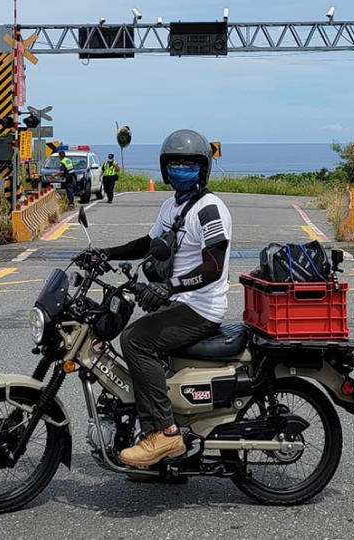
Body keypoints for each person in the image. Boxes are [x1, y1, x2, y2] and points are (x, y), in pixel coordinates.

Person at [78, 129, 232, 468]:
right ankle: (160, 412)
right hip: (181, 301)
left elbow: (214, 266)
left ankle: (163, 433)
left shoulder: (209, 209)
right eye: (174, 164)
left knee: (136, 340)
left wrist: (169, 287)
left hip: (201, 308)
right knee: (136, 330)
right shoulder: (172, 206)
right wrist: (104, 253)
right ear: (165, 169)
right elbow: (147, 244)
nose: (180, 170)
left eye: (189, 164)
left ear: (203, 168)